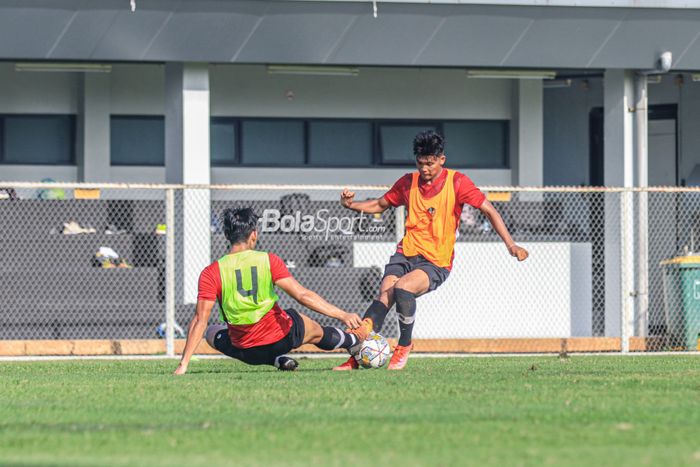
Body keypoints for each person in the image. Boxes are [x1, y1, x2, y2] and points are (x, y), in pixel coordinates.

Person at [334, 130, 529, 371]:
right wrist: (350, 204)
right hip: (406, 252)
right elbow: (379, 205)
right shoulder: (408, 182)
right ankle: (356, 357)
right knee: (385, 293)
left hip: (436, 261)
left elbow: (489, 210)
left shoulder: (458, 182)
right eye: (420, 163)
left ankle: (404, 345)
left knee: (403, 288)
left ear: (441, 160)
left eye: (430, 163)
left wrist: (511, 245)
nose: (425, 168)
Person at [174, 207, 364, 374]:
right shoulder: (268, 260)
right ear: (254, 234)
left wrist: (183, 364)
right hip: (282, 339)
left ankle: (276, 360)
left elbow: (200, 320)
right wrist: (342, 315)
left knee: (211, 332)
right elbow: (303, 295)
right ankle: (353, 341)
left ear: (226, 236)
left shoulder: (211, 272)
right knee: (312, 328)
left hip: (247, 352)